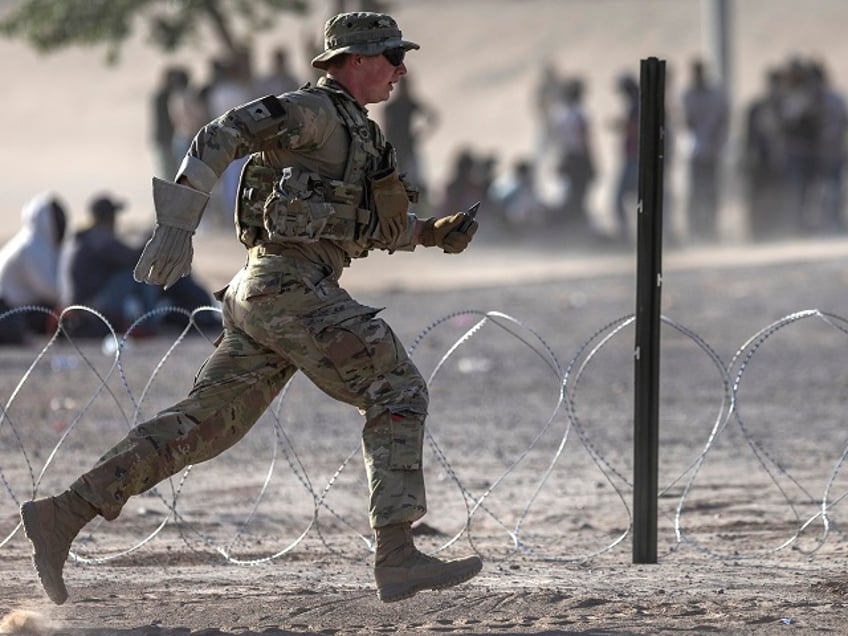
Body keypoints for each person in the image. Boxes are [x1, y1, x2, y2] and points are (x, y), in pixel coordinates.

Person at [20, 11, 481, 607]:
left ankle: (63, 514)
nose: (401, 69)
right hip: (288, 289)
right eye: (392, 57)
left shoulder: (361, 134)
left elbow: (356, 223)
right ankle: (396, 555)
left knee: (202, 427)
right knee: (396, 389)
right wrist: (177, 225)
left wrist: (430, 234)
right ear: (357, 60)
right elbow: (216, 135)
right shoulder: (313, 112)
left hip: (272, 294)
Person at [59, 194, 217, 337]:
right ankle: (149, 322)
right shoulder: (98, 239)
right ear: (108, 217)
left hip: (81, 303)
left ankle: (150, 319)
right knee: (135, 275)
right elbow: (135, 258)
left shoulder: (84, 237)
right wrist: (154, 234)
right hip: (90, 305)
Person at [0, 193, 67, 344]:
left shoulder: (38, 244)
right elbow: (50, 291)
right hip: (10, 311)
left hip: (19, 308)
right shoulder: (32, 248)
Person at [681, 58, 729, 243]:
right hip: (695, 150)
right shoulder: (689, 95)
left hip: (710, 151)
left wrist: (719, 143)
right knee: (695, 194)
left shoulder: (714, 95)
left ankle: (711, 230)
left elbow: (722, 121)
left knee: (711, 193)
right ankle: (696, 231)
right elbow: (687, 123)